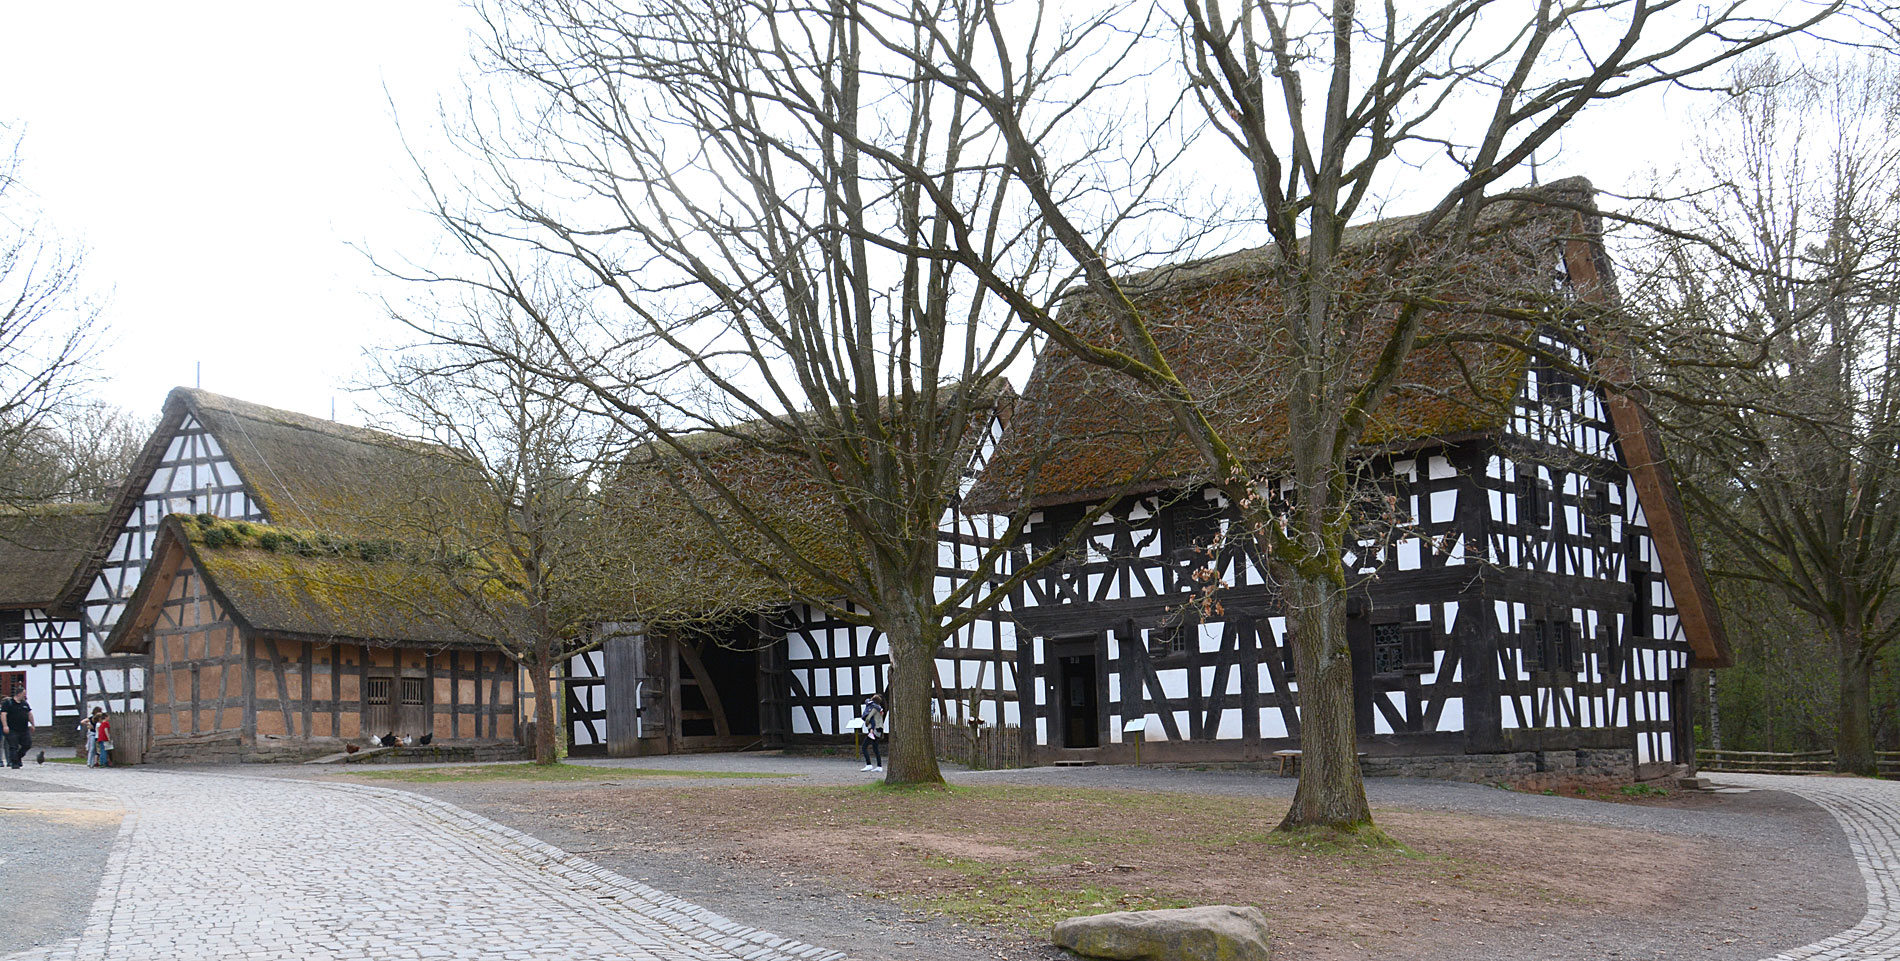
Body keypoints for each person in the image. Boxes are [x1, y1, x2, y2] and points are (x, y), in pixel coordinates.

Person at [1, 687, 32, 769]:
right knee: (13, 746)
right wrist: (5, 725)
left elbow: (29, 714)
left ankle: (18, 757)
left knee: (27, 744)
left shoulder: (24, 703)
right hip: (12, 729)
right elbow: (3, 714)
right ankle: (14, 763)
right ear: (19, 693)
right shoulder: (8, 703)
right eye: (23, 693)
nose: (25, 695)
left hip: (24, 729)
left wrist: (32, 724)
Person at [859, 693, 886, 773]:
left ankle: (869, 764)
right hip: (879, 730)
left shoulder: (874, 708)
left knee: (864, 747)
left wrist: (867, 722)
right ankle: (879, 766)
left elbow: (868, 718)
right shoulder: (880, 709)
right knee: (875, 748)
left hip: (873, 730)